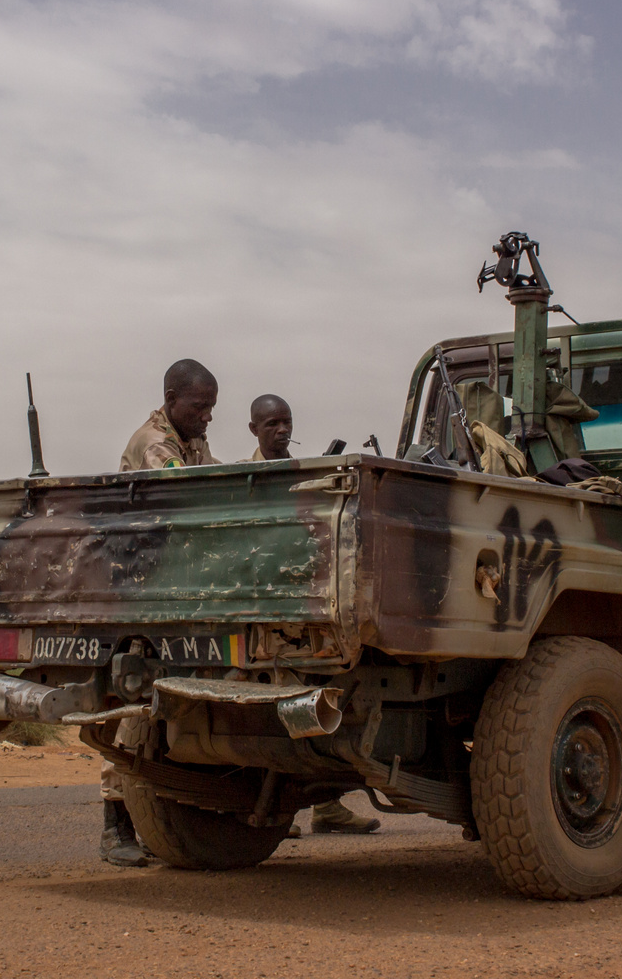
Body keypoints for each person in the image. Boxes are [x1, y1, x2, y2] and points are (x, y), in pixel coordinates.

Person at [238, 395, 381, 837]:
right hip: (259, 610)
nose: (281, 430)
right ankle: (276, 811)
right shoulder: (245, 478)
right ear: (253, 429)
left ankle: (326, 806)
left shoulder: (305, 476)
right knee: (272, 714)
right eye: (272, 423)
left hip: (304, 609)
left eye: (287, 422)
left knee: (317, 702)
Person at [99, 359, 219, 866]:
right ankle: (116, 825)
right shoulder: (156, 442)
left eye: (212, 408)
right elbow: (188, 496)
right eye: (200, 406)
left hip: (175, 583)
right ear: (173, 399)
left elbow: (213, 478)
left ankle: (160, 820)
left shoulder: (188, 439)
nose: (208, 417)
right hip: (143, 586)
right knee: (137, 702)